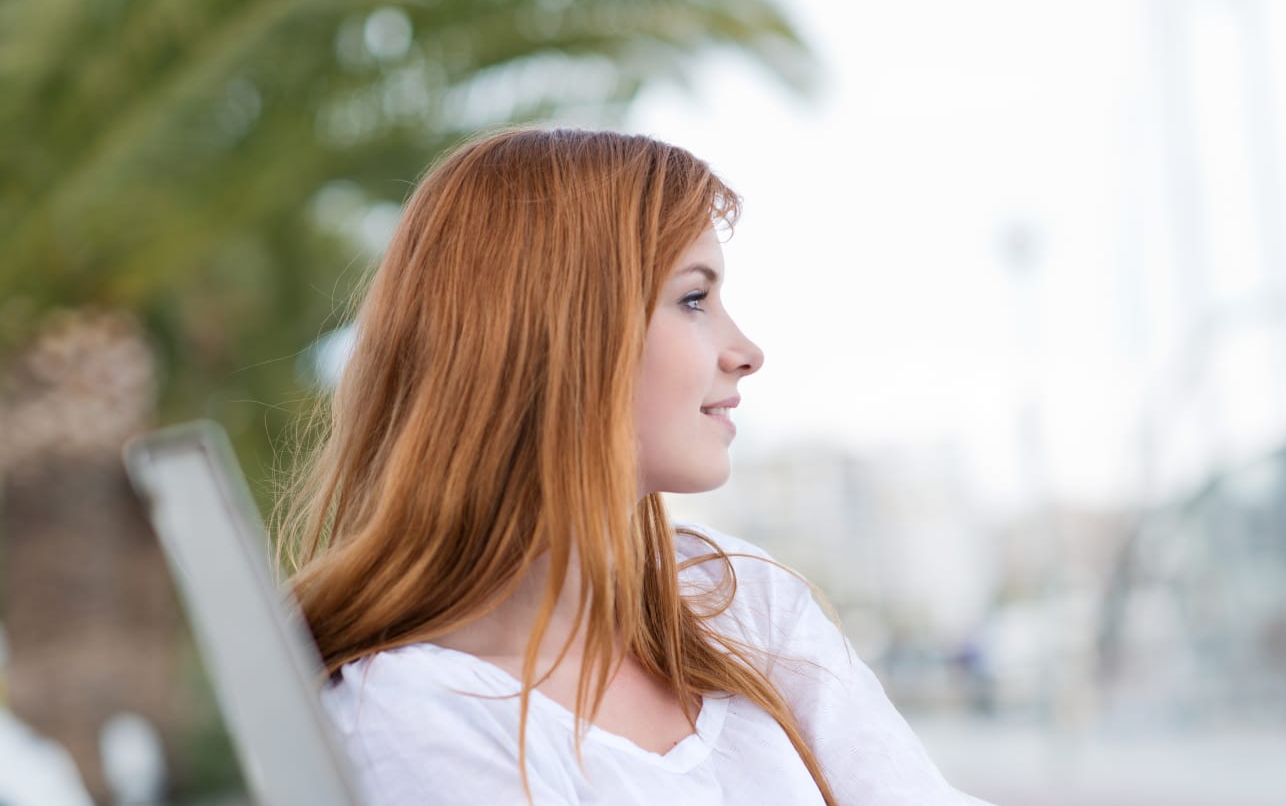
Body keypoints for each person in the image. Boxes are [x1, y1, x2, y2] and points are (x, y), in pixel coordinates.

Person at [277, 128, 989, 805]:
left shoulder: (735, 599)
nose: (746, 350)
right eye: (693, 299)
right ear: (560, 337)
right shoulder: (411, 715)